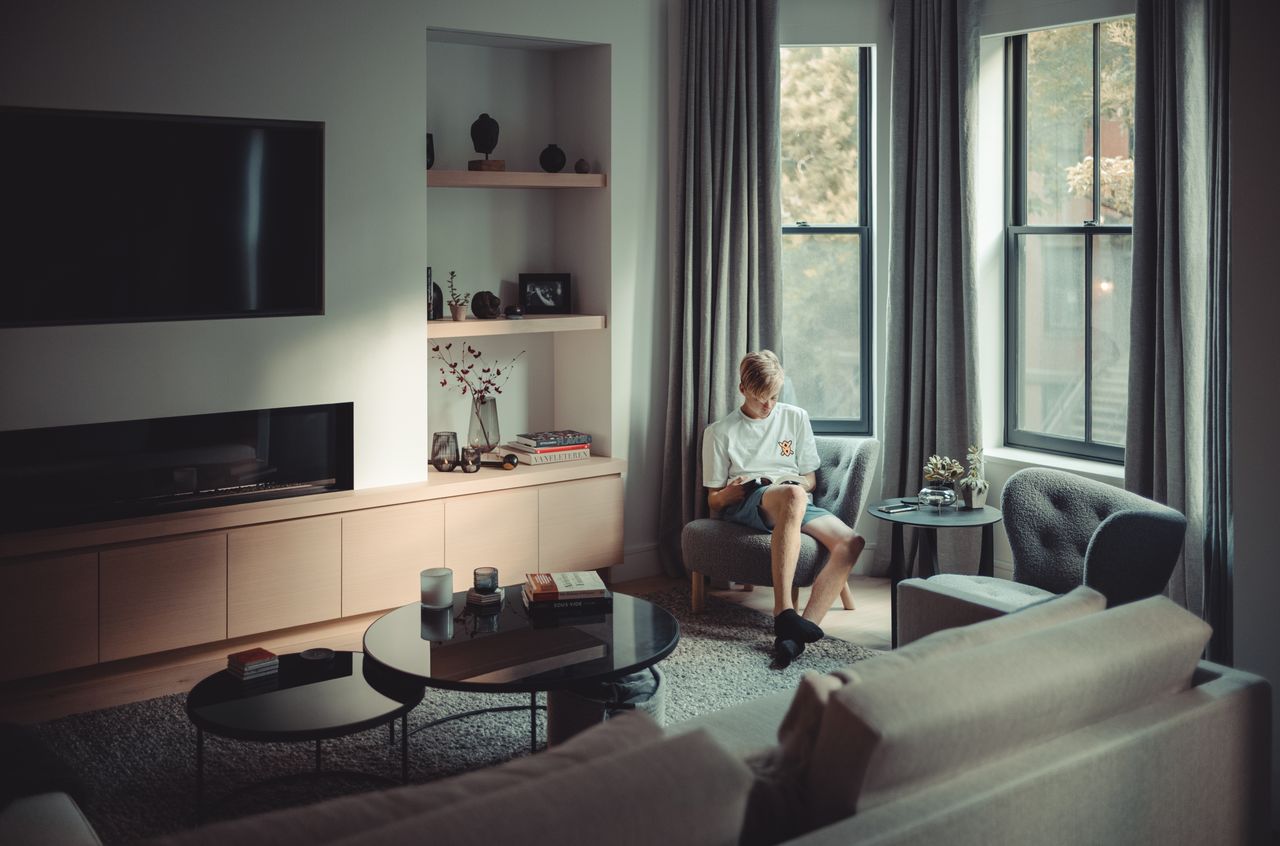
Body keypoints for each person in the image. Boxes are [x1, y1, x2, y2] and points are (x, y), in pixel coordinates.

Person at [702, 350, 865, 667]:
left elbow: (810, 480)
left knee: (852, 542)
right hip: (750, 502)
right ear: (743, 390)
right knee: (791, 496)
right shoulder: (719, 432)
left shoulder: (795, 417)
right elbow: (713, 500)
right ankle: (782, 610)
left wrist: (796, 487)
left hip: (794, 497)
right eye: (761, 398)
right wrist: (730, 493)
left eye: (774, 397)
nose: (768, 406)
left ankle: (794, 637)